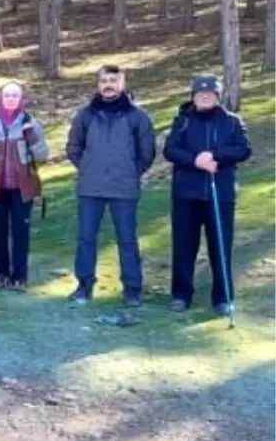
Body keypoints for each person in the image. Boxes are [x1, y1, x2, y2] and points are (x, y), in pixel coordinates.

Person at [65, 64, 156, 306]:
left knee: (127, 240)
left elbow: (147, 153)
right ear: (98, 84)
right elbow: (73, 148)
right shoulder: (85, 115)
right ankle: (84, 285)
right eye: (104, 80)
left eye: (114, 81)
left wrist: (131, 171)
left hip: (124, 188)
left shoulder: (137, 116)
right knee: (86, 238)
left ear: (122, 84)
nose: (108, 85)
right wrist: (87, 167)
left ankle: (132, 289)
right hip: (90, 188)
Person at [163, 75, 251, 314]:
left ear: (217, 96)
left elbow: (244, 149)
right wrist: (196, 161)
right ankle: (181, 295)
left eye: (210, 93)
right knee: (183, 247)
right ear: (193, 96)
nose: (204, 96)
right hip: (186, 193)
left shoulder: (231, 121)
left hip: (220, 194)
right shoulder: (183, 121)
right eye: (200, 93)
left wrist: (215, 156)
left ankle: (222, 297)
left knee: (220, 246)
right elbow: (170, 150)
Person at [0, 81, 50, 290]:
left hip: (22, 188)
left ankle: (20, 277)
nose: (10, 99)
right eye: (7, 95)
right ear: (0, 98)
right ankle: (2, 274)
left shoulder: (30, 123)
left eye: (15, 95)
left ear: (21, 99)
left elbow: (43, 156)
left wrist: (31, 137)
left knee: (20, 232)